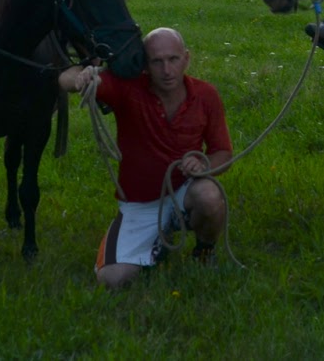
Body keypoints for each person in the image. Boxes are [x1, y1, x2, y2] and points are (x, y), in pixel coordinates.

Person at [59, 28, 232, 288]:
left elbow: (223, 153)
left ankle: (204, 251)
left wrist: (204, 165)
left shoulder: (206, 94)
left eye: (173, 59)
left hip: (185, 191)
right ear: (145, 65)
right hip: (140, 204)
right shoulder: (128, 88)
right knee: (111, 279)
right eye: (156, 61)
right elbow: (64, 78)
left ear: (186, 58)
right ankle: (157, 242)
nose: (167, 70)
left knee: (209, 195)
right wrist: (82, 77)